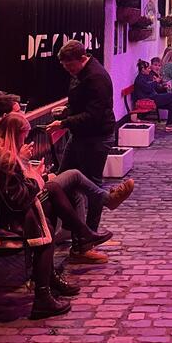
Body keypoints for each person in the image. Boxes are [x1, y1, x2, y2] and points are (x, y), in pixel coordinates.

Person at [0, 112, 110, 319]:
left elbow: (9, 196)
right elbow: (16, 201)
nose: (25, 141)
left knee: (51, 198)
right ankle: (43, 297)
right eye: (24, 136)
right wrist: (36, 177)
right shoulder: (2, 159)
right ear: (16, 134)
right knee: (44, 231)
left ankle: (65, 259)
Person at [47, 41, 115, 255]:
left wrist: (65, 122)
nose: (68, 70)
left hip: (96, 138)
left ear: (81, 58)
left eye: (70, 66)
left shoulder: (96, 78)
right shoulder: (82, 74)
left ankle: (88, 238)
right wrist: (66, 111)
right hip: (80, 136)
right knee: (61, 182)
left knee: (93, 184)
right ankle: (70, 228)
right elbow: (81, 105)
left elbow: (93, 115)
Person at [133, 59, 172, 131]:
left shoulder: (146, 76)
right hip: (149, 99)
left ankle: (170, 125)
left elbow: (153, 87)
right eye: (147, 68)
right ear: (142, 69)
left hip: (153, 97)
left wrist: (162, 85)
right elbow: (148, 88)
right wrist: (156, 82)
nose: (149, 69)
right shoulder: (139, 79)